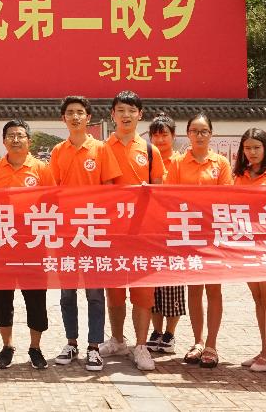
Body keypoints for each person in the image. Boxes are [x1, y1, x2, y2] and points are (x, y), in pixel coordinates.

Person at [48, 96, 121, 372]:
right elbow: (52, 191)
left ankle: (93, 347)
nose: (75, 117)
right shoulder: (58, 151)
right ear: (63, 119)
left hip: (93, 231)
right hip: (67, 233)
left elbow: (110, 190)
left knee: (94, 293)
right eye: (70, 113)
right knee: (67, 293)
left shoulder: (101, 149)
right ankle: (71, 343)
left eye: (80, 112)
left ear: (88, 118)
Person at [0, 119, 54, 370]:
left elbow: (53, 203)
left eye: (20, 135)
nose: (15, 139)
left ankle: (35, 347)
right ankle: (7, 345)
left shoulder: (42, 169)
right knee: (2, 298)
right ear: (4, 141)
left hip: (33, 244)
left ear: (28, 141)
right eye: (11, 135)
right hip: (2, 243)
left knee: (36, 298)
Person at [102, 91, 163, 372]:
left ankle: (140, 345)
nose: (126, 115)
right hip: (112, 233)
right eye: (121, 110)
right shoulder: (102, 148)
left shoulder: (150, 151)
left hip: (143, 233)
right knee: (114, 291)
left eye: (131, 110)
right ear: (112, 114)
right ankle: (117, 339)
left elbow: (160, 191)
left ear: (140, 114)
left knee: (143, 293)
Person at [166, 113, 233, 368]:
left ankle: (212, 344)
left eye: (204, 131)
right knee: (194, 289)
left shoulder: (221, 163)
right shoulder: (177, 163)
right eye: (195, 131)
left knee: (214, 289)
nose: (199, 135)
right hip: (188, 233)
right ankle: (197, 341)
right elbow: (169, 197)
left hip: (213, 234)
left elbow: (227, 197)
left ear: (211, 134)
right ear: (188, 134)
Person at [233, 127, 266, 372]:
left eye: (257, 147)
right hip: (247, 244)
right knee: (258, 298)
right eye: (247, 148)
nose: (252, 152)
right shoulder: (240, 176)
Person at [147, 113, 184, 357]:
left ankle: (170, 333)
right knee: (152, 286)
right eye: (156, 135)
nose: (160, 140)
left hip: (175, 230)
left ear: (173, 136)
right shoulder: (147, 159)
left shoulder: (180, 162)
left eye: (165, 135)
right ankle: (156, 331)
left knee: (173, 285)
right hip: (151, 230)